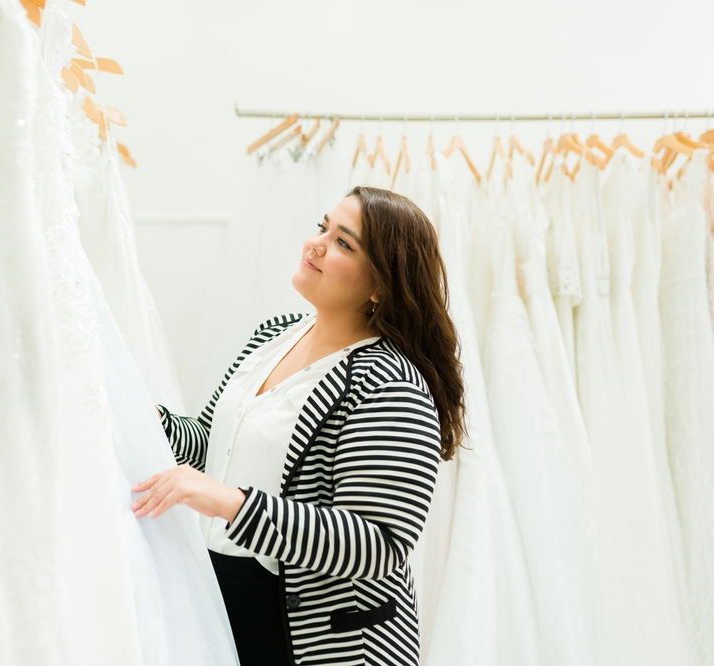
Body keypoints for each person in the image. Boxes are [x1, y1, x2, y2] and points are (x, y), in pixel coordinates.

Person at [132, 186, 466, 666]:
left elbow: (377, 542)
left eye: (343, 243)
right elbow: (215, 445)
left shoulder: (389, 382)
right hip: (225, 606)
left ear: (380, 285)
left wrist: (226, 502)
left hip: (324, 640)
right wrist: (146, 418)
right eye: (322, 227)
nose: (317, 243)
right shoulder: (273, 335)